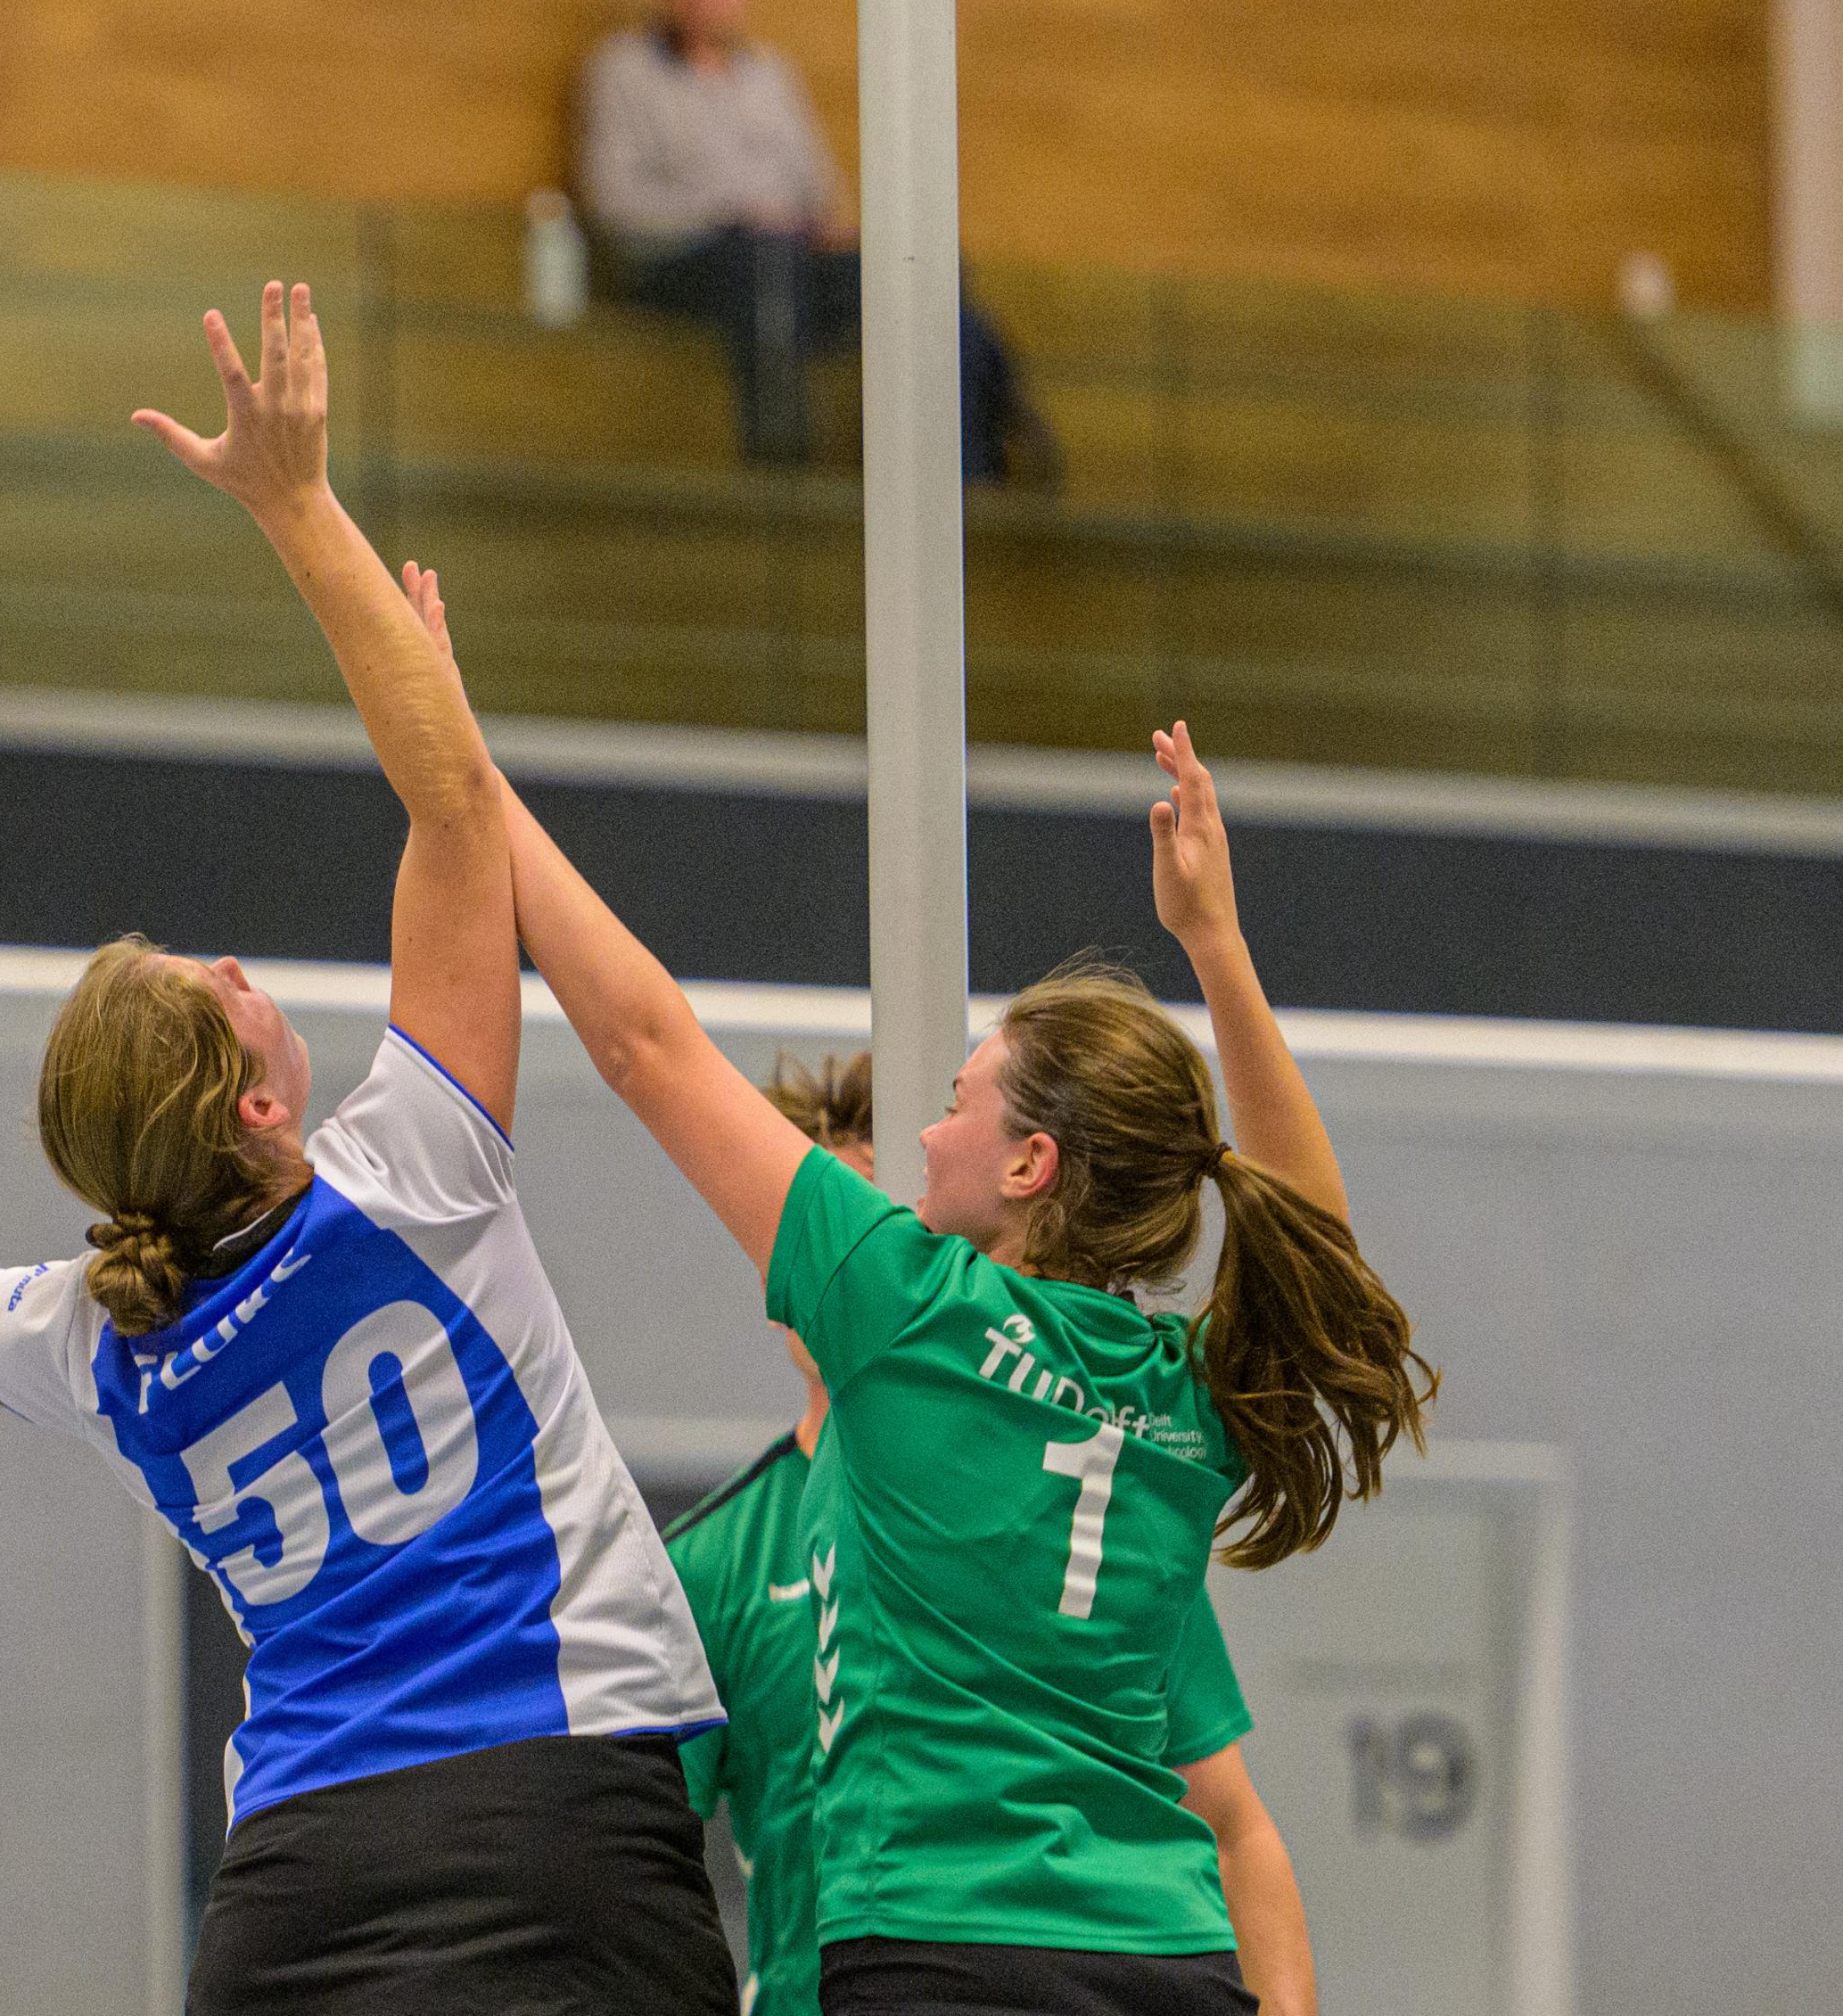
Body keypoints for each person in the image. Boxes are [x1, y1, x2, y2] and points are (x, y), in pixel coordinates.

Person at [0, 284, 736, 2015]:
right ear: (257, 1104)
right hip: (550, 1799)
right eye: (212, 985)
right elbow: (456, 808)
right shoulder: (408, 1172)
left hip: (299, 1880)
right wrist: (298, 505)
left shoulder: (97, 1332)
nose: (230, 961)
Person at [415, 559, 1411, 2013]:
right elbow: (1308, 1227)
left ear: (1027, 1164)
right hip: (1168, 1955)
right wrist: (1217, 944)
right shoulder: (1185, 1388)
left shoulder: (906, 1309)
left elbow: (642, 1039)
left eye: (954, 1101)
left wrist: (463, 769)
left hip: (941, 1946)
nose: (926, 1135)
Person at [658, 1052, 1321, 2016]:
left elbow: (1230, 1821)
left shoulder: (1081, 1511)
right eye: (843, 1209)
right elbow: (644, 1860)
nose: (869, 1240)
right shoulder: (711, 1563)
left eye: (887, 1213)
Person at [574, 0, 1050, 483]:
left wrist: (833, 229)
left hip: (793, 259)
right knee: (766, 267)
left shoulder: (771, 76)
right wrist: (733, 217)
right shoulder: (623, 70)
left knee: (927, 274)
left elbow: (822, 193)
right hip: (685, 263)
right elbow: (615, 201)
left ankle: (962, 478)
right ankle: (785, 487)